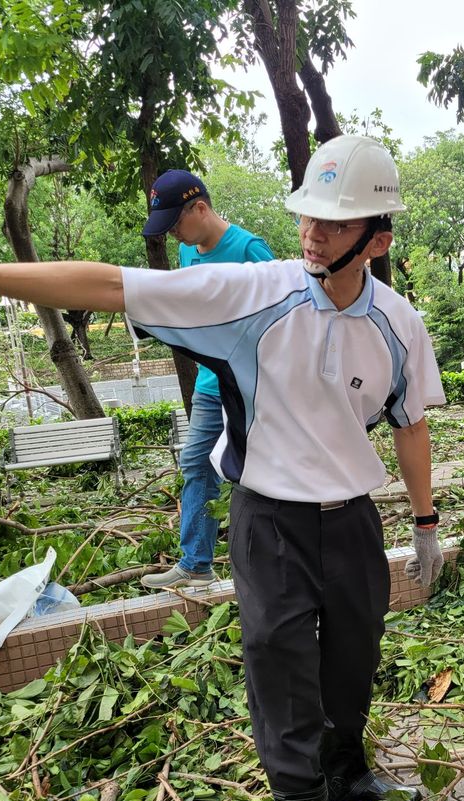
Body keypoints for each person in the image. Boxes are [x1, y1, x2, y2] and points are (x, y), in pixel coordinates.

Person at [0, 134, 445, 801]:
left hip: (351, 523)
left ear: (376, 238)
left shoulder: (400, 323)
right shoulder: (257, 291)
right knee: (284, 688)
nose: (311, 234)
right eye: (307, 217)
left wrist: (424, 523)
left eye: (333, 225)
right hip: (270, 523)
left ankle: (348, 772)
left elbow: (410, 424)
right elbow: (112, 287)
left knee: (353, 658)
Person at [139, 170, 276, 590]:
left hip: (252, 387)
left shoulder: (250, 250)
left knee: (260, 472)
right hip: (208, 385)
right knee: (197, 464)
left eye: (176, 224)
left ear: (200, 208)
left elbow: (286, 316)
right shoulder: (188, 254)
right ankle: (196, 564)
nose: (174, 236)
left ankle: (272, 563)